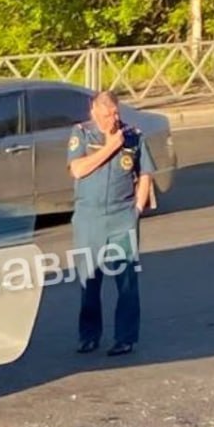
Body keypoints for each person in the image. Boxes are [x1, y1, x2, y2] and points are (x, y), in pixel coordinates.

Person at [66, 91, 156, 356]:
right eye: (106, 115)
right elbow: (78, 170)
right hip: (89, 218)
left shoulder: (134, 135)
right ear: (93, 112)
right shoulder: (81, 134)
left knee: (126, 281)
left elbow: (146, 174)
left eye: (115, 113)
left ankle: (125, 338)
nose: (112, 119)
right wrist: (110, 146)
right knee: (89, 280)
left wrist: (137, 209)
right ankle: (89, 336)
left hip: (121, 217)